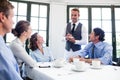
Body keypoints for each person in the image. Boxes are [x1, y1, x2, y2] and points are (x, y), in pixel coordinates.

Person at [0, 0, 23, 79]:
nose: (13, 22)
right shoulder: (2, 50)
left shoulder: (3, 45)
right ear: (2, 17)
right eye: (12, 17)